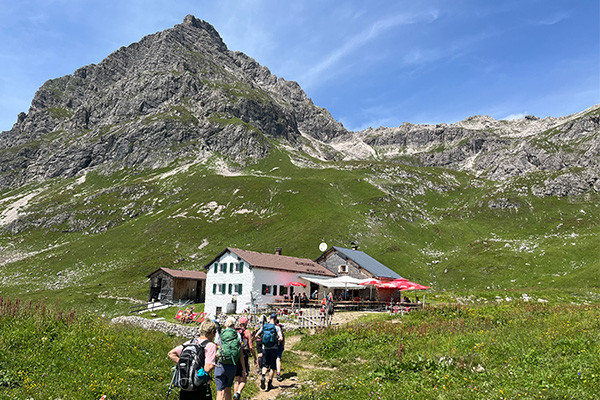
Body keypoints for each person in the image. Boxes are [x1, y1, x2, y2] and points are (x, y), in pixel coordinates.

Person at [168, 319, 218, 400]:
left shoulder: (190, 342)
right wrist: (215, 359)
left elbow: (171, 353)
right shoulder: (210, 345)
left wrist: (186, 364)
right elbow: (208, 367)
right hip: (200, 388)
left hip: (185, 386)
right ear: (212, 332)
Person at [215, 317, 246, 400]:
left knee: (219, 391)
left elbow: (215, 349)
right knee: (228, 389)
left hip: (220, 364)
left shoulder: (220, 334)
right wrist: (243, 368)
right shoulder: (237, 335)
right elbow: (240, 354)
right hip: (232, 365)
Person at [255, 313, 283, 391]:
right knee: (272, 367)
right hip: (274, 348)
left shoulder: (264, 326)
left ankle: (263, 376)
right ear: (276, 319)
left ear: (270, 318)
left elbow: (257, 335)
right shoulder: (277, 327)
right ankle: (269, 383)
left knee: (265, 365)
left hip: (265, 348)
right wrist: (277, 339)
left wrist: (262, 338)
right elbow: (281, 338)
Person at [233, 316, 256, 400]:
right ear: (246, 323)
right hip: (244, 355)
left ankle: (235, 395)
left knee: (237, 380)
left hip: (235, 356)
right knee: (243, 378)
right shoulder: (247, 332)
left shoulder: (235, 331)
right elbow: (251, 346)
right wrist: (255, 357)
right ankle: (238, 393)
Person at [275, 317, 285, 382]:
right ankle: (278, 373)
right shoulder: (280, 329)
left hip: (272, 346)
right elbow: (283, 339)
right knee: (278, 359)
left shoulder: (271, 329)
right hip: (280, 346)